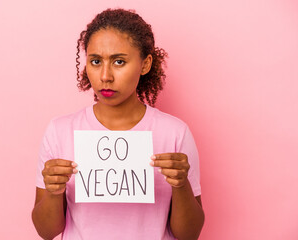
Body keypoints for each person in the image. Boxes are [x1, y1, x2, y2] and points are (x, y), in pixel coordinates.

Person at [32, 8, 204, 240]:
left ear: (145, 64)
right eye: (95, 61)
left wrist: (181, 185)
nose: (105, 76)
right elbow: (46, 231)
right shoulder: (60, 131)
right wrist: (54, 192)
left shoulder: (175, 133)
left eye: (119, 61)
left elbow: (190, 235)